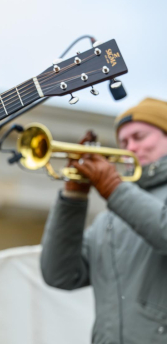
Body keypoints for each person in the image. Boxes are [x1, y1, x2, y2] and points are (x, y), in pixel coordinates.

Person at [40, 97, 167, 343]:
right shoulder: (109, 218)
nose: (130, 148)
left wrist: (114, 188)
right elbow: (59, 274)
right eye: (124, 141)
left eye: (139, 137)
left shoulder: (119, 198)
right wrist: (73, 197)